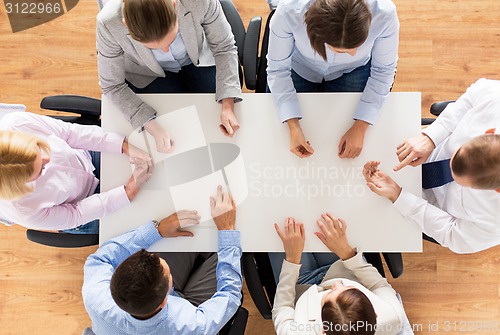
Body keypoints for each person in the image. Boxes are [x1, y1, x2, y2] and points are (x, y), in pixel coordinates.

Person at [363, 78, 500, 254]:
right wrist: (431, 137)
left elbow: (452, 235)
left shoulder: (495, 221)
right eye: (456, 154)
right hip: (425, 150)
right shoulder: (496, 101)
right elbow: (473, 95)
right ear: (489, 132)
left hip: (425, 205)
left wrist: (398, 195)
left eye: (462, 182)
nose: (450, 169)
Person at [82, 185, 242, 335]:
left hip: (161, 304)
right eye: (168, 273)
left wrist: (156, 231)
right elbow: (230, 295)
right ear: (164, 302)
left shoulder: (96, 296)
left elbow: (100, 258)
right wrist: (226, 230)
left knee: (189, 235)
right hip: (191, 309)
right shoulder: (193, 326)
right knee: (234, 250)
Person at [97, 0, 243, 154]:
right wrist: (152, 127)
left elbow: (224, 46)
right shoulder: (108, 23)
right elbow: (112, 85)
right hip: (147, 73)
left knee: (212, 113)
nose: (165, 51)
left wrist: (227, 104)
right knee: (174, 125)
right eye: (153, 46)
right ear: (125, 24)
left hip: (198, 57)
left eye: (171, 39)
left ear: (174, 6)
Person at [267, 0, 399, 159]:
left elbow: (383, 70)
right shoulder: (289, 10)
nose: (353, 54)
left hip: (354, 70)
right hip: (299, 66)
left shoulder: (384, 13)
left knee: (341, 130)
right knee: (278, 142)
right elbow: (278, 69)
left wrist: (361, 126)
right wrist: (293, 125)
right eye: (340, 50)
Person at [0, 111, 152, 234]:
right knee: (146, 219)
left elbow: (70, 134)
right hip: (79, 206)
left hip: (84, 158)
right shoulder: (23, 210)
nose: (49, 158)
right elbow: (76, 214)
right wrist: (127, 192)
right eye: (40, 170)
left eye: (38, 148)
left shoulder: (17, 124)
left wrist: (122, 146)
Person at [272, 214, 404, 335]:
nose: (336, 284)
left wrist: (292, 260)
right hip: (342, 266)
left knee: (278, 223)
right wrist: (347, 253)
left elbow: (282, 308)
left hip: (299, 283)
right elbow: (378, 285)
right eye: (349, 290)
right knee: (326, 217)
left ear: (323, 329)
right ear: (375, 314)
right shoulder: (392, 318)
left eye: (330, 293)